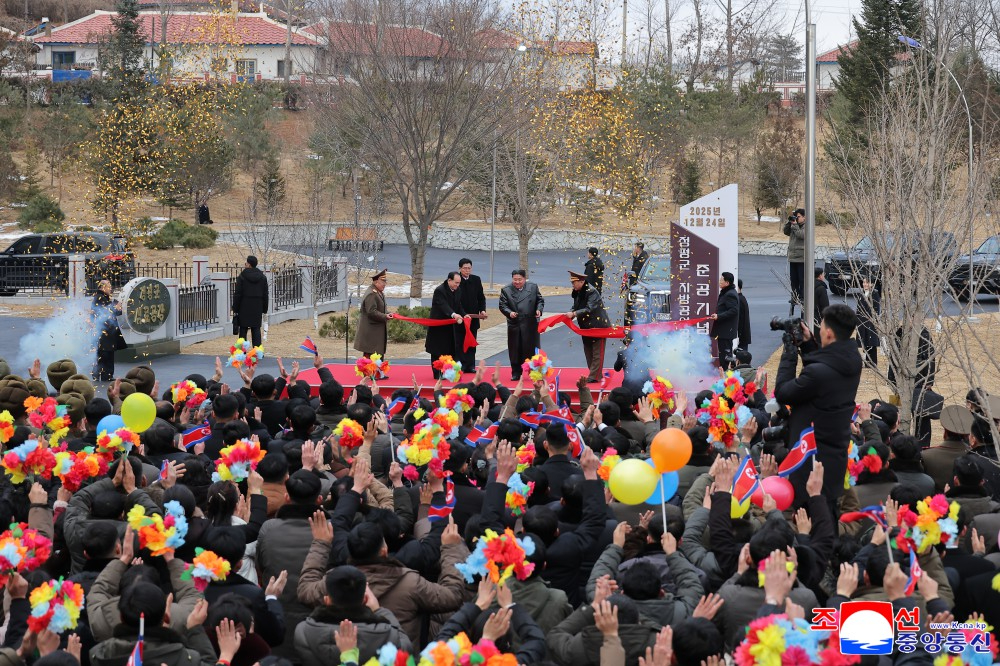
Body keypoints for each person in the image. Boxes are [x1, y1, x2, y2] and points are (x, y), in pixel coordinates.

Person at [774, 303, 862, 515]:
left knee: (811, 520)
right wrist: (808, 344)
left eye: (821, 327)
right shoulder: (852, 361)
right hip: (834, 457)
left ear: (829, 333)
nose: (819, 330)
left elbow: (783, 392)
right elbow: (824, 368)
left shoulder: (818, 374)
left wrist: (789, 352)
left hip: (810, 461)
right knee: (828, 515)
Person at [498, 270, 544, 380]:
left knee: (532, 349)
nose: (517, 282)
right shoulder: (506, 290)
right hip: (515, 323)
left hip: (530, 323)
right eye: (515, 279)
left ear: (524, 279)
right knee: (515, 349)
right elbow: (502, 305)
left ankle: (534, 371)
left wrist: (539, 309)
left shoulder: (533, 287)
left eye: (520, 279)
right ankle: (516, 372)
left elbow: (540, 300)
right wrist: (509, 313)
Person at [566, 271, 610, 383]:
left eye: (574, 282)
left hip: (598, 325)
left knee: (597, 352)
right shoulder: (578, 291)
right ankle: (594, 373)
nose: (572, 285)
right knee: (588, 350)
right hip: (586, 327)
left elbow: (590, 308)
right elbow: (576, 305)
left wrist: (574, 313)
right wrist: (571, 311)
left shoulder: (591, 292)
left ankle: (595, 376)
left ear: (581, 281)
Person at [426, 272, 469, 378]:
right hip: (438, 326)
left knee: (450, 349)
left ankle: (447, 371)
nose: (457, 285)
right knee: (437, 350)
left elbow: (458, 305)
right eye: (456, 283)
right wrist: (453, 314)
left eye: (459, 283)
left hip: (450, 326)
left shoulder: (458, 290)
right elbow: (443, 305)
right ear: (449, 280)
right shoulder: (440, 290)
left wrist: (464, 314)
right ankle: (437, 373)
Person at [92, 279, 125, 382]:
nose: (110, 288)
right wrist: (116, 308)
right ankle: (104, 375)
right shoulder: (99, 298)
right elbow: (105, 313)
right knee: (105, 353)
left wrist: (118, 308)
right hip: (104, 331)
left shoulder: (104, 298)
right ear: (103, 287)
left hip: (107, 331)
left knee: (105, 353)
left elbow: (113, 312)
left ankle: (103, 374)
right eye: (108, 286)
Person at [456, 259, 487, 369]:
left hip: (473, 317)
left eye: (469, 268)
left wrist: (482, 310)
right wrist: (461, 314)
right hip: (460, 317)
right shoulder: (456, 280)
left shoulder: (476, 279)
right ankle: (461, 365)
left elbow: (481, 297)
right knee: (460, 342)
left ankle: (471, 365)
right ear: (460, 268)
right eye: (465, 268)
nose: (467, 270)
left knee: (471, 341)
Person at [233, 255, 268, 347]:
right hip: (257, 306)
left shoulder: (242, 276)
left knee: (243, 329)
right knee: (256, 329)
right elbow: (265, 295)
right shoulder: (262, 277)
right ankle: (257, 351)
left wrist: (235, 308)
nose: (245, 264)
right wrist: (264, 309)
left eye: (246, 263)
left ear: (249, 264)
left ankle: (241, 351)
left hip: (244, 306)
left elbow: (238, 294)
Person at [353, 270, 388, 359]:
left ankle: (378, 369)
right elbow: (371, 312)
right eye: (383, 282)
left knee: (377, 358)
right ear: (376, 282)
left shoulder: (378, 292)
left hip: (375, 334)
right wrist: (385, 316)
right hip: (371, 335)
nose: (385, 284)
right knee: (371, 360)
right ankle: (372, 369)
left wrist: (388, 313)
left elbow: (380, 309)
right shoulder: (371, 294)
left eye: (385, 282)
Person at [710, 272, 739, 369]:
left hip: (726, 331)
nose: (719, 281)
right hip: (723, 331)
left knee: (726, 357)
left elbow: (734, 311)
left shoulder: (730, 294)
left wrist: (719, 316)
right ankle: (725, 373)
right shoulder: (726, 292)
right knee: (723, 355)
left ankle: (727, 375)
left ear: (727, 283)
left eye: (721, 280)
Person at [783, 208, 806, 306]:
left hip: (802, 258)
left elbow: (802, 235)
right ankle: (795, 296)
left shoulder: (807, 226)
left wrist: (795, 225)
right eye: (796, 216)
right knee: (794, 280)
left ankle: (803, 297)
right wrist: (790, 223)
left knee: (802, 280)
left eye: (799, 216)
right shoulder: (794, 225)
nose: (797, 218)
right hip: (793, 257)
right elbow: (786, 232)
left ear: (804, 217)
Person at [855, 278, 880, 366]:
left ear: (872, 284)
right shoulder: (861, 294)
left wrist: (872, 320)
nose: (865, 284)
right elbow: (858, 308)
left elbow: (876, 309)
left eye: (867, 282)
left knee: (871, 342)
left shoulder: (874, 294)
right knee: (864, 342)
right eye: (864, 282)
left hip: (870, 322)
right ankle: (867, 362)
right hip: (861, 322)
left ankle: (872, 363)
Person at [736, 278, 750, 351]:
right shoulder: (742, 298)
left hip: (741, 336)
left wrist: (739, 335)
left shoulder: (739, 300)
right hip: (743, 335)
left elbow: (740, 319)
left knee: (741, 355)